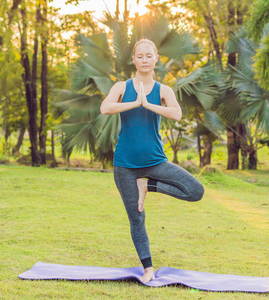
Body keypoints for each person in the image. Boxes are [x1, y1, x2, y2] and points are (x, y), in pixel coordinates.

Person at [100, 38, 204, 283]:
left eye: (149, 55)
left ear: (156, 58)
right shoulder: (122, 87)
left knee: (195, 190)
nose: (144, 60)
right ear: (133, 60)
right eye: (140, 56)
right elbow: (105, 108)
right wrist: (135, 102)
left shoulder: (163, 91)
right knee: (136, 217)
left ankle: (148, 185)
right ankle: (148, 269)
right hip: (124, 165)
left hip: (156, 161)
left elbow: (177, 114)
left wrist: (148, 104)